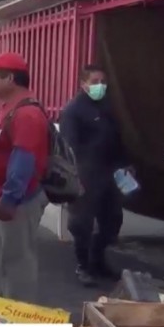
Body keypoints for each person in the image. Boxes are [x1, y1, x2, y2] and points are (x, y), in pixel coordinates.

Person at [0, 52, 49, 303]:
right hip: (6, 198)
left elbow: (24, 159)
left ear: (10, 78)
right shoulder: (11, 109)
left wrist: (10, 198)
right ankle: (1, 313)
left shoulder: (26, 114)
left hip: (19, 201)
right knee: (1, 257)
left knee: (17, 263)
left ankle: (18, 322)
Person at [59, 65, 128, 287]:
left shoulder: (107, 106)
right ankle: (83, 266)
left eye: (103, 81)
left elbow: (117, 138)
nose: (101, 86)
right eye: (95, 81)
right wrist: (75, 177)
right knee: (82, 224)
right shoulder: (74, 110)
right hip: (85, 174)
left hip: (109, 173)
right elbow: (69, 147)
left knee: (112, 221)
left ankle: (98, 260)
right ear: (83, 84)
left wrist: (124, 165)